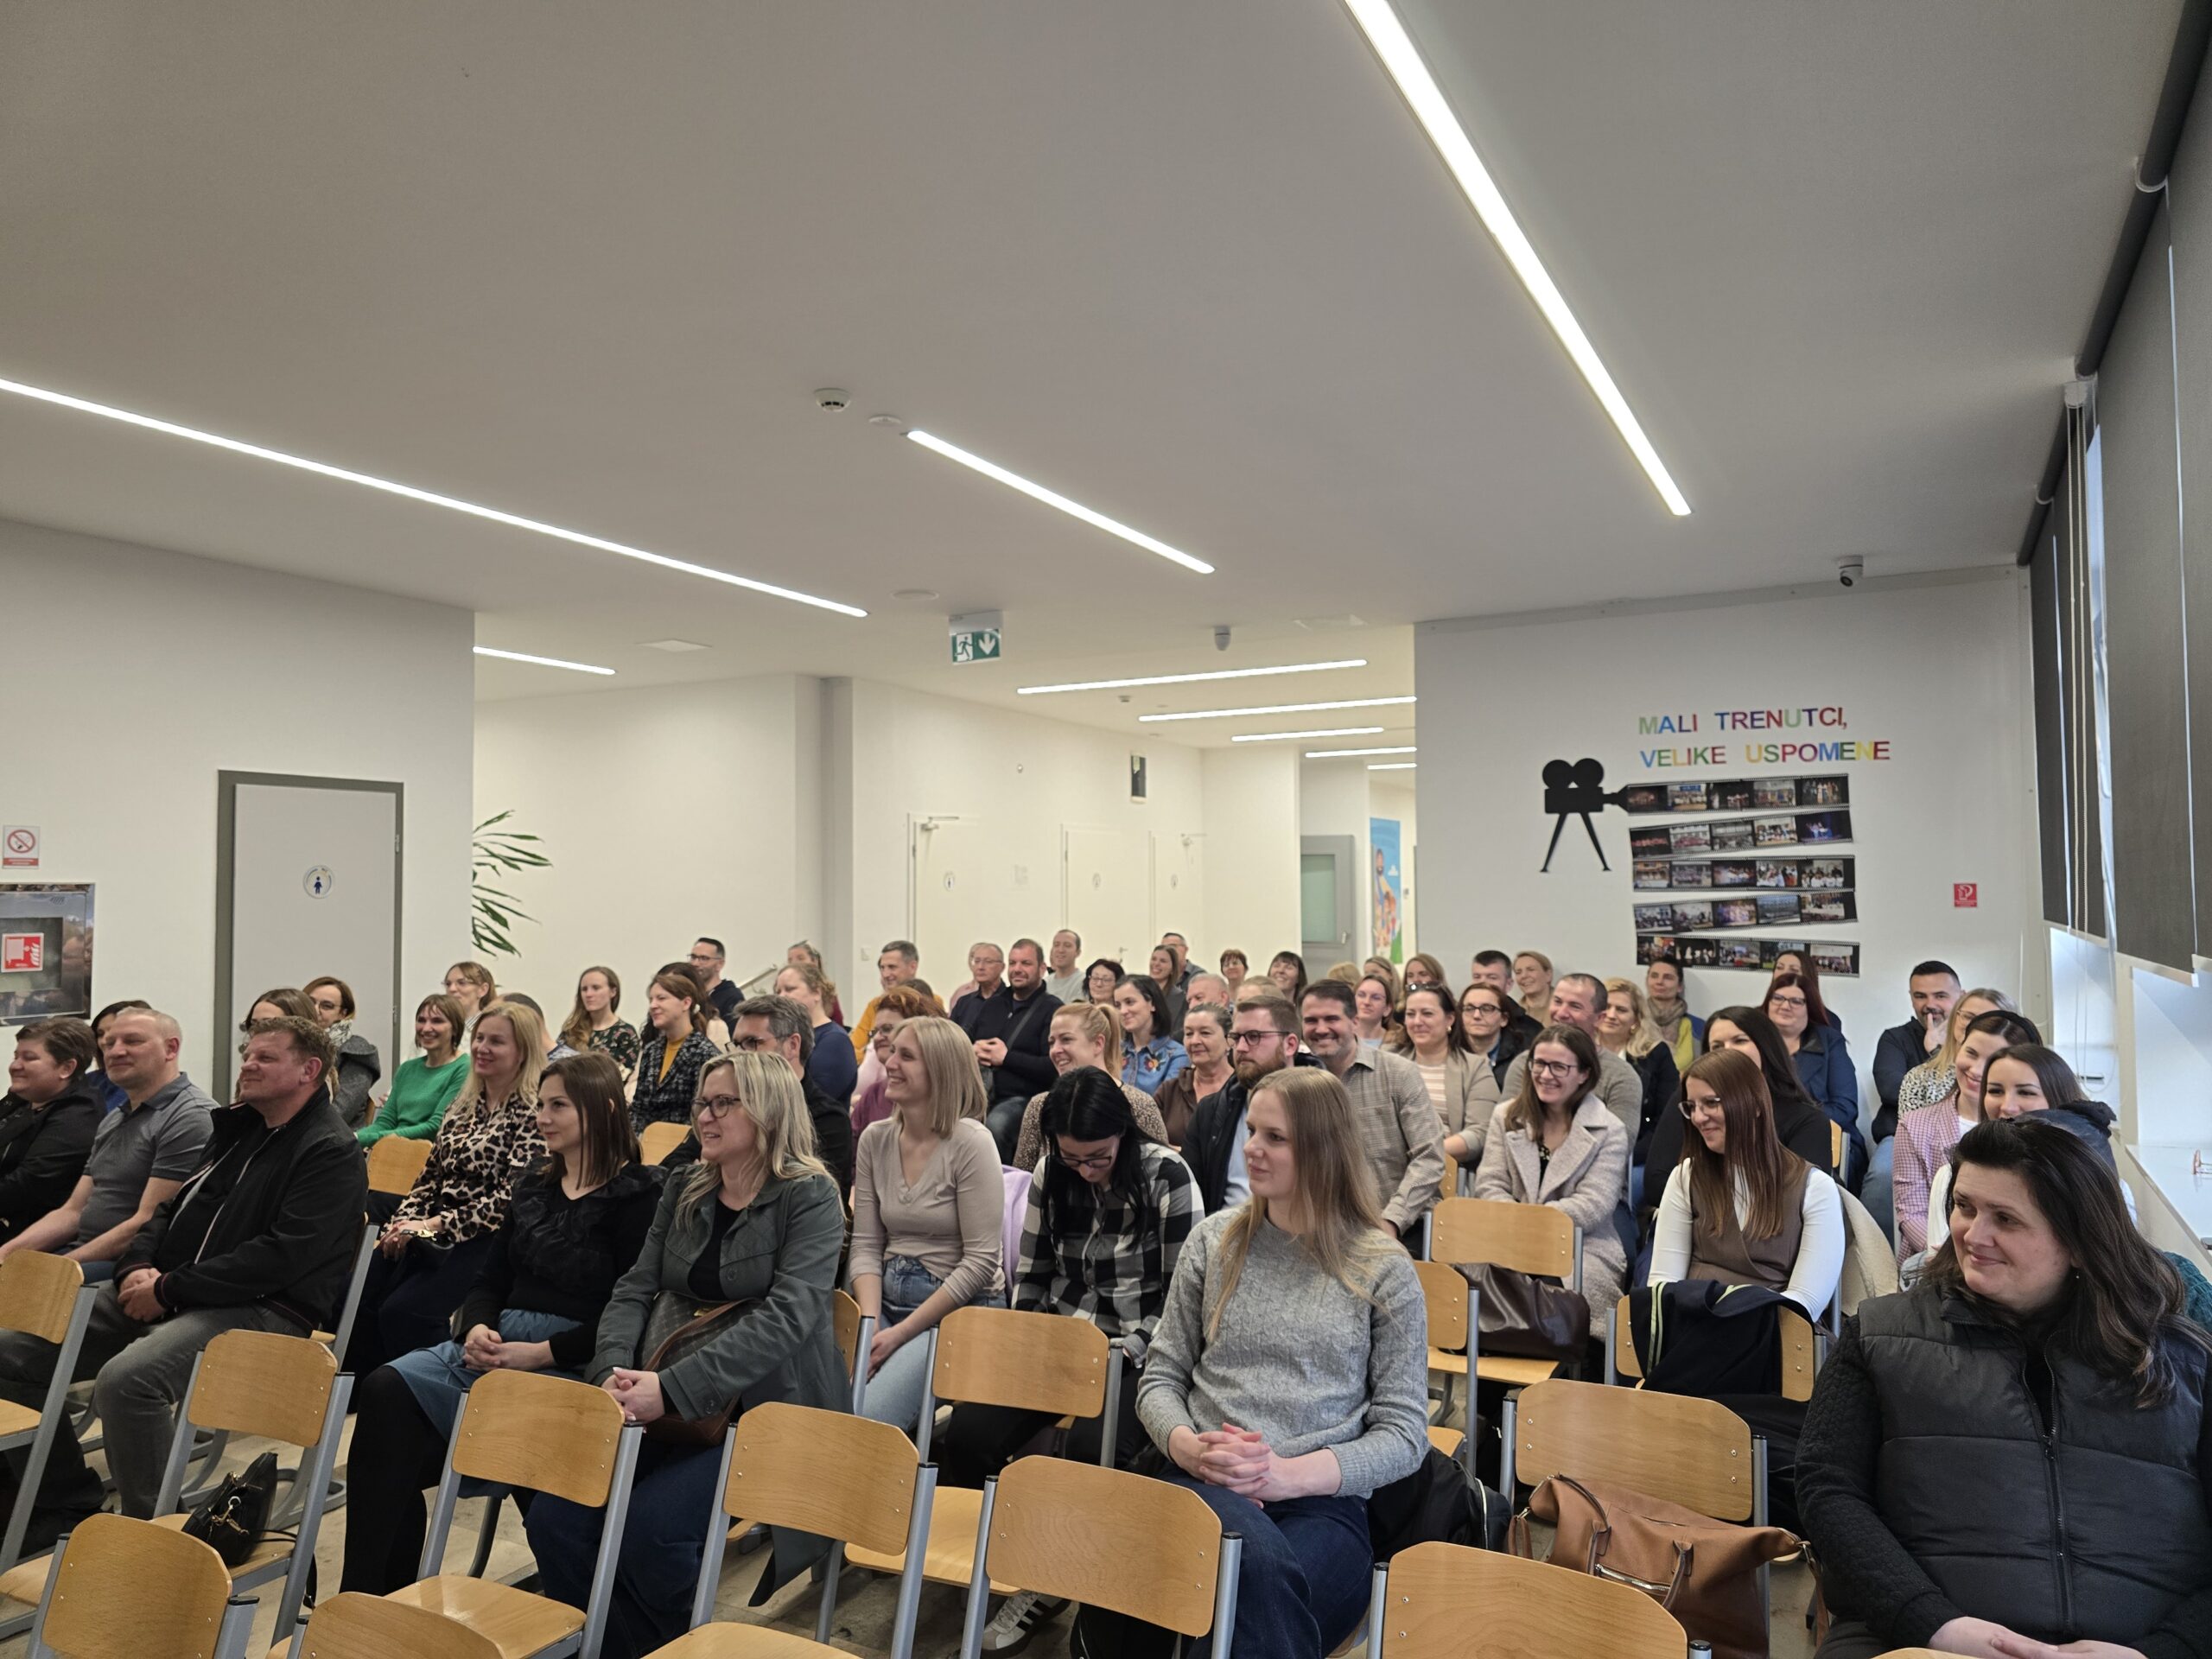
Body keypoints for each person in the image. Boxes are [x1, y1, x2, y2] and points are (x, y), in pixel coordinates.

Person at [1797, 1116, 2212, 1659]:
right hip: (1919, 1640)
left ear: (2080, 1241)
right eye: (1964, 1206)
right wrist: (1930, 1622)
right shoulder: (1880, 1335)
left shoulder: (2184, 1361)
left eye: (2006, 1219)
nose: (1972, 1235)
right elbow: (1828, 1488)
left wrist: (2163, 1650)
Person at [527, 1052, 846, 1659]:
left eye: (724, 1103)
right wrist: (611, 1373)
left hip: (761, 1407)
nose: (705, 1116)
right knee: (555, 1520)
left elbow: (790, 1316)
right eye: (703, 1102)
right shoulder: (684, 1186)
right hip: (657, 1393)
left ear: (769, 1111)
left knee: (653, 1532)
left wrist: (671, 1389)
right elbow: (634, 1288)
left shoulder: (810, 1196)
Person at [0, 1014, 365, 1536]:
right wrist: (136, 1267)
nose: (247, 1065)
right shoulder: (241, 1129)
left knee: (129, 1381)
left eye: (265, 1057)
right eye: (247, 1055)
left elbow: (281, 1257)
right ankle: (62, 1501)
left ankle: (155, 1536)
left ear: (309, 1070)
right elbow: (168, 1212)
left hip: (264, 1307)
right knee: (12, 1351)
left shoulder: (329, 1148)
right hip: (178, 1289)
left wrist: (168, 1289)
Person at [341, 1050, 658, 1594]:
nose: (542, 1117)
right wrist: (476, 1329)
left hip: (575, 1358)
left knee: (404, 1453)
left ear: (603, 1110)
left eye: (558, 1106)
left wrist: (540, 1354)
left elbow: (629, 1312)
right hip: (500, 1344)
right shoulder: (534, 1183)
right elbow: (490, 1279)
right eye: (541, 1104)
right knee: (386, 1390)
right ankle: (370, 1597)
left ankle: (579, 1596)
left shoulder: (641, 1195)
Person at [1137, 1066, 1427, 1659]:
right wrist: (1189, 1448)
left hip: (1322, 1502)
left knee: (1232, 1601)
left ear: (1322, 1150)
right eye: (1252, 1131)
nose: (1251, 1148)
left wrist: (1283, 1475)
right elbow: (1160, 1378)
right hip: (1200, 1482)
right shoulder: (1214, 1241)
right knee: (1248, 1596)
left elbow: (1404, 1435)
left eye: (1275, 1137)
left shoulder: (1384, 1268)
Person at [939, 1071, 1200, 1649]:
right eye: (1073, 1158)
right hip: (1060, 1342)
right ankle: (1013, 1552)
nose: (1085, 1170)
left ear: (1123, 1135)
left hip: (1141, 1350)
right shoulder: (1051, 1171)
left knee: (1091, 1449)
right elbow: (1033, 1277)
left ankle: (1061, 1578)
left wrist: (1122, 1353)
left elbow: (1182, 1299)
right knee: (968, 1436)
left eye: (1098, 1157)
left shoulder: (1167, 1175)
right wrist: (1030, 1347)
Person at [345, 1001, 550, 1377]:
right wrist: (404, 1222)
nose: (482, 1048)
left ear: (522, 1051)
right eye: (480, 1038)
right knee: (356, 1295)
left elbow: (512, 1198)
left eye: (497, 1042)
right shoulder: (463, 1103)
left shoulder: (534, 1111)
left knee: (405, 1312)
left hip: (486, 1237)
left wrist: (430, 1226)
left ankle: (429, 1389)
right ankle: (362, 1393)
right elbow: (430, 1176)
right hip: (433, 1227)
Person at [849, 1017, 1007, 1435]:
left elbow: (980, 1262)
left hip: (956, 1311)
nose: (890, 1063)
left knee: (865, 1420)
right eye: (892, 1052)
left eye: (906, 1056)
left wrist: (898, 1335)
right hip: (883, 1303)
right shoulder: (875, 1139)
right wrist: (870, 1326)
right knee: (824, 1403)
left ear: (940, 1070)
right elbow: (865, 1245)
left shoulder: (971, 1142)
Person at [0, 1008, 214, 1280]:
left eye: (132, 1041)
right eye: (109, 1043)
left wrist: (58, 1268)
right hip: (82, 1251)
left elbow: (147, 1222)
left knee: (20, 1292)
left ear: (171, 1048)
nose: (115, 1051)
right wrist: (6, 1254)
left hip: (133, 1264)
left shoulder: (190, 1116)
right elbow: (73, 1211)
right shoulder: (115, 1118)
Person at [1649, 1050, 1844, 1319]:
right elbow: (1661, 1285)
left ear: (1755, 1106)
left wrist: (1730, 1320)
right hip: (1692, 1324)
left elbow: (1805, 1303)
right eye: (1692, 1106)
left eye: (1711, 1103)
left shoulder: (1814, 1188)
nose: (1698, 1118)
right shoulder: (1686, 1176)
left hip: (1774, 1331)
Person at [1471, 1025, 1631, 1341]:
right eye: (1540, 1064)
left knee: (1560, 1289)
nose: (1545, 1075)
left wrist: (1532, 1224)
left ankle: (1572, 1363)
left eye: (1559, 1067)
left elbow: (1594, 1205)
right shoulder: (1506, 1116)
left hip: (1581, 1245)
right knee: (1477, 1281)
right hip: (1508, 1236)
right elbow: (1489, 1184)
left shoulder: (1609, 1129)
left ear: (1584, 1074)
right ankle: (1488, 1362)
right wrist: (1520, 1226)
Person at [1639, 1007, 1840, 1239]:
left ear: (1766, 1048)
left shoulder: (1807, 1119)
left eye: (1740, 1041)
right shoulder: (1690, 1101)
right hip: (1690, 1230)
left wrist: (1705, 1195)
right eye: (1717, 1046)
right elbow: (1656, 1182)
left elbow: (1800, 1201)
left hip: (1771, 1239)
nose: (1728, 1051)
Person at [1299, 981, 1443, 1245]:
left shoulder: (1399, 1074)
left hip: (1399, 1225)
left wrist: (1392, 1220)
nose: (1320, 1029)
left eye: (1331, 1019)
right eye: (1311, 1021)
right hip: (1322, 1229)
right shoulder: (1297, 1083)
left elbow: (1430, 1158)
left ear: (1354, 1021)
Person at [1892, 1008, 2043, 1256]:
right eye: (1971, 1053)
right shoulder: (1915, 1125)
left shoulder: (2035, 1129)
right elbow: (1911, 1213)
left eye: (1992, 1060)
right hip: (1935, 1257)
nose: (1976, 1069)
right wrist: (1956, 1256)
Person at [713, 995, 854, 1198]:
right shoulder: (725, 1103)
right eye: (736, 1044)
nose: (738, 1055)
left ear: (792, 1045)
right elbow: (679, 1164)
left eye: (751, 1043)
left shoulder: (827, 1119)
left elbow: (820, 1200)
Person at [1863, 960, 1961, 1238]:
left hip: (1961, 1133)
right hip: (1900, 1135)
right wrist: (1934, 1056)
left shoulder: (1972, 1041)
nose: (1930, 1005)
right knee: (1882, 1177)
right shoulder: (1895, 1039)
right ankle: (1879, 1256)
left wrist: (1940, 1050)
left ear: (1960, 996)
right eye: (1920, 996)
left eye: (1940, 996)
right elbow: (1891, 1090)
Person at [1011, 1003, 1169, 1173]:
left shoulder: (1139, 1104)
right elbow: (1020, 1179)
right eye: (1051, 1042)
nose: (1055, 1050)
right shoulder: (1040, 1106)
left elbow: (1162, 1174)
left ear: (1098, 1044)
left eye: (1066, 1039)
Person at [1185, 989, 1302, 1214]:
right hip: (1224, 1229)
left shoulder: (1320, 1109)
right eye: (1236, 1037)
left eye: (1254, 1037)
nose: (1240, 1048)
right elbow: (1192, 1195)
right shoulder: (1211, 1111)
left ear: (1290, 1045)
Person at [1497, 974, 1643, 1137]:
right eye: (1557, 1002)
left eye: (1575, 1006)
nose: (1561, 1013)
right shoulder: (1526, 1063)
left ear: (1599, 1018)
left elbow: (1619, 1141)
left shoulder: (1621, 1075)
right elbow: (1507, 1127)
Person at [957, 939, 1062, 1160]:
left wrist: (1006, 1058)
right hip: (981, 1093)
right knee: (944, 1120)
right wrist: (972, 1050)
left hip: (1023, 1098)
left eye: (1026, 963)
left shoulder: (1053, 1010)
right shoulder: (993, 1005)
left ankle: (998, 1181)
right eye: (1013, 963)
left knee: (996, 1126)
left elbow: (1052, 1067)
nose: (1017, 969)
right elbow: (965, 1041)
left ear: (1042, 968)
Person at [0, 1020, 101, 1244]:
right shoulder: (22, 1099)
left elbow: (24, 1187)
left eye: (29, 1058)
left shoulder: (79, 1116)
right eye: (16, 1056)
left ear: (66, 1068)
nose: (15, 1066)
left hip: (23, 1236)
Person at [1387, 983, 1495, 1185]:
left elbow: (1480, 1132)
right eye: (1411, 1014)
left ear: (1450, 1019)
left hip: (1446, 1176)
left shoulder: (1475, 1068)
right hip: (1389, 1172)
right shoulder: (1387, 1060)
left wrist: (1423, 1155)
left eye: (1427, 1014)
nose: (1417, 1022)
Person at [1764, 971, 1864, 1179]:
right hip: (1761, 1136)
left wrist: (1795, 1122)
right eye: (1778, 998)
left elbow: (1845, 1108)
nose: (1785, 1006)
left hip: (1818, 1135)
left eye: (1796, 1001)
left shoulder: (1830, 1041)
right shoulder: (1750, 1042)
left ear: (1809, 1008)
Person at [358, 993, 470, 1147]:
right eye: (421, 1020)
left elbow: (435, 1127)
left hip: (428, 1154)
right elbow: (385, 1122)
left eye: (437, 1021)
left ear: (456, 1028)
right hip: (391, 1149)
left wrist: (367, 1139)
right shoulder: (407, 1069)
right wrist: (353, 1138)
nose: (426, 1028)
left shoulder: (464, 1067)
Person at [1897, 988, 2019, 1116]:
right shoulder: (1919, 1078)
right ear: (1955, 1017)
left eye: (1989, 1020)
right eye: (1968, 1016)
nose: (1975, 1025)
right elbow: (1908, 1126)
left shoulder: (2017, 1083)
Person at [631, 969, 720, 1134]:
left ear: (686, 1003)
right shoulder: (651, 1051)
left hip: (683, 1143)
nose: (653, 1006)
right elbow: (638, 1109)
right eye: (651, 999)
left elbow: (699, 1114)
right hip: (645, 1142)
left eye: (661, 998)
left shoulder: (705, 1053)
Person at [849, 984, 942, 1138]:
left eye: (887, 1029)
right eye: (875, 1031)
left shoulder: (944, 1096)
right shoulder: (873, 1095)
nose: (877, 1038)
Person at [1599, 977, 1681, 1150]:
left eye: (1621, 1010)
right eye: (1606, 1007)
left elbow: (1666, 1117)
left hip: (1638, 1148)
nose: (1611, 1015)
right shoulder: (1579, 1050)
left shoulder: (1656, 1053)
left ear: (1636, 1020)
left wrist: (1629, 1155)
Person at [773, 961, 857, 1110]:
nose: (781, 996)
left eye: (790, 989)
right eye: (778, 991)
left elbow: (816, 1101)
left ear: (816, 993)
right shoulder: (785, 1037)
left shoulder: (835, 1041)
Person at [304, 976, 383, 1128]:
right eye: (310, 1002)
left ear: (343, 1013)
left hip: (334, 1136)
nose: (315, 1010)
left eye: (326, 1006)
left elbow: (340, 1111)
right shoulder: (290, 1045)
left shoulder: (356, 1050)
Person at [1151, 1003, 1230, 1150]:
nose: (1194, 1041)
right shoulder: (1169, 1091)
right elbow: (1147, 1141)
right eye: (1189, 1034)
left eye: (1205, 1033)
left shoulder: (1243, 1090)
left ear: (1229, 1040)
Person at [560, 965, 640, 1077]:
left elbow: (628, 1076)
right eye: (584, 989)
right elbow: (555, 1065)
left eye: (596, 988)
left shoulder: (625, 1032)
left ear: (613, 992)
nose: (589, 994)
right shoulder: (572, 1030)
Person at [1116, 976, 1189, 1096]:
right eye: (1118, 1005)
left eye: (1130, 1002)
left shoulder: (1177, 1055)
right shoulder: (1114, 1050)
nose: (1122, 1011)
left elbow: (1167, 1102)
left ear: (1152, 1004)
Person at [850, 939, 922, 1058]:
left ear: (912, 967)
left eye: (892, 967)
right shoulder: (875, 1005)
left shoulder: (930, 1002)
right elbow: (853, 1048)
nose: (885, 974)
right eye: (882, 968)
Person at [86, 1000, 151, 1114]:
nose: (105, 1040)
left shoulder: (149, 1085)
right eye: (100, 1034)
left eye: (114, 1032)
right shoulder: (90, 1081)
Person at [1457, 981, 1524, 1090]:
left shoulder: (1521, 1057)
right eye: (1469, 1009)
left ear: (1504, 1019)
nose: (1476, 1016)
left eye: (1487, 1009)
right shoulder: (1449, 1052)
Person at [1644, 954, 1705, 1075]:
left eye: (1668, 977)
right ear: (1647, 982)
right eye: (1654, 976)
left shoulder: (1698, 1027)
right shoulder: (1633, 1021)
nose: (1659, 982)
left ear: (1679, 987)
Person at [685, 937, 742, 1026]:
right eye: (693, 957)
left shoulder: (732, 998)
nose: (695, 963)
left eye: (704, 958)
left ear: (720, 964)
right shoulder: (688, 992)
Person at [785, 942, 845, 1024]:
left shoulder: (826, 990)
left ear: (814, 962)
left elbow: (838, 1022)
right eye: (790, 960)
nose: (794, 963)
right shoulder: (784, 991)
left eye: (800, 958)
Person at [950, 941, 1007, 1017]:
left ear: (1002, 967)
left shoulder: (1011, 1001)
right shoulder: (964, 1003)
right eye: (977, 961)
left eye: (988, 961)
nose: (980, 967)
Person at [442, 962, 497, 1034]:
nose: (452, 989)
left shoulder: (493, 1027)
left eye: (462, 983)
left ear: (482, 990)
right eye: (448, 984)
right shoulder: (440, 1026)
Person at [1147, 945, 1188, 1034]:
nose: (1156, 964)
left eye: (1163, 961)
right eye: (1154, 959)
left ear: (1173, 969)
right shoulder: (1140, 993)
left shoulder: (1180, 999)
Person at [1511, 950, 1555, 1026]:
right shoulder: (1513, 1015)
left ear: (1548, 975)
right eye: (1518, 972)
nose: (1524, 976)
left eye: (1531, 970)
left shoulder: (1565, 1009)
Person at [1352, 973, 1395, 1049]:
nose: (1367, 1002)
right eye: (1361, 995)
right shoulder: (1341, 1040)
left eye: (1376, 998)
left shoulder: (1398, 1045)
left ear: (1387, 1008)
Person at [1044, 929, 1085, 1004]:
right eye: (1056, 945)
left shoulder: (1084, 982)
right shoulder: (1044, 984)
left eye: (1067, 945)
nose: (1061, 950)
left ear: (1078, 952)